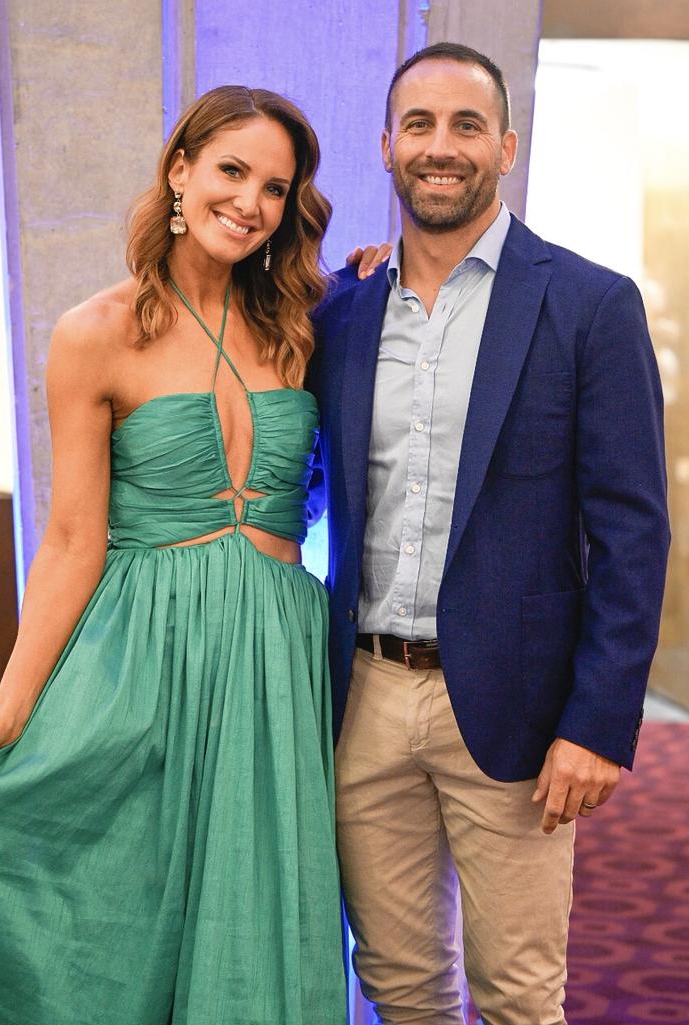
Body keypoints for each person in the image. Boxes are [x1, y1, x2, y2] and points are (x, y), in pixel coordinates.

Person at [0, 86, 351, 1025]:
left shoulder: (304, 323)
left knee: (259, 903)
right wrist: (9, 703)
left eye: (276, 188)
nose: (250, 203)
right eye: (232, 171)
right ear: (179, 169)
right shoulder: (94, 333)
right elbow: (74, 539)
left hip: (278, 651)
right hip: (147, 648)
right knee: (123, 905)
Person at [307, 43, 670, 1025]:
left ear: (506, 146)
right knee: (401, 985)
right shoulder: (341, 312)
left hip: (518, 708)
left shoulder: (588, 304)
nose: (441, 146)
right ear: (385, 145)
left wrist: (599, 720)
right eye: (419, 124)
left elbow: (635, 530)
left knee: (518, 994)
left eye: (467, 125)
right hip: (364, 702)